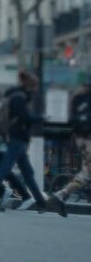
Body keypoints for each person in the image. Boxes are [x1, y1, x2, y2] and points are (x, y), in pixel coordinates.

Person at [0, 72, 66, 217]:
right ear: (29, 84)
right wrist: (41, 118)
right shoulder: (19, 98)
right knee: (4, 169)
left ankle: (41, 203)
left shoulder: (17, 96)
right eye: (35, 85)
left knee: (28, 173)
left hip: (18, 139)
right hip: (17, 139)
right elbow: (23, 116)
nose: (36, 88)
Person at [51, 80, 91, 213]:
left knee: (87, 173)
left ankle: (62, 195)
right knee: (87, 173)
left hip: (81, 139)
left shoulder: (76, 98)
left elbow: (72, 121)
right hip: (88, 139)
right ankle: (62, 194)